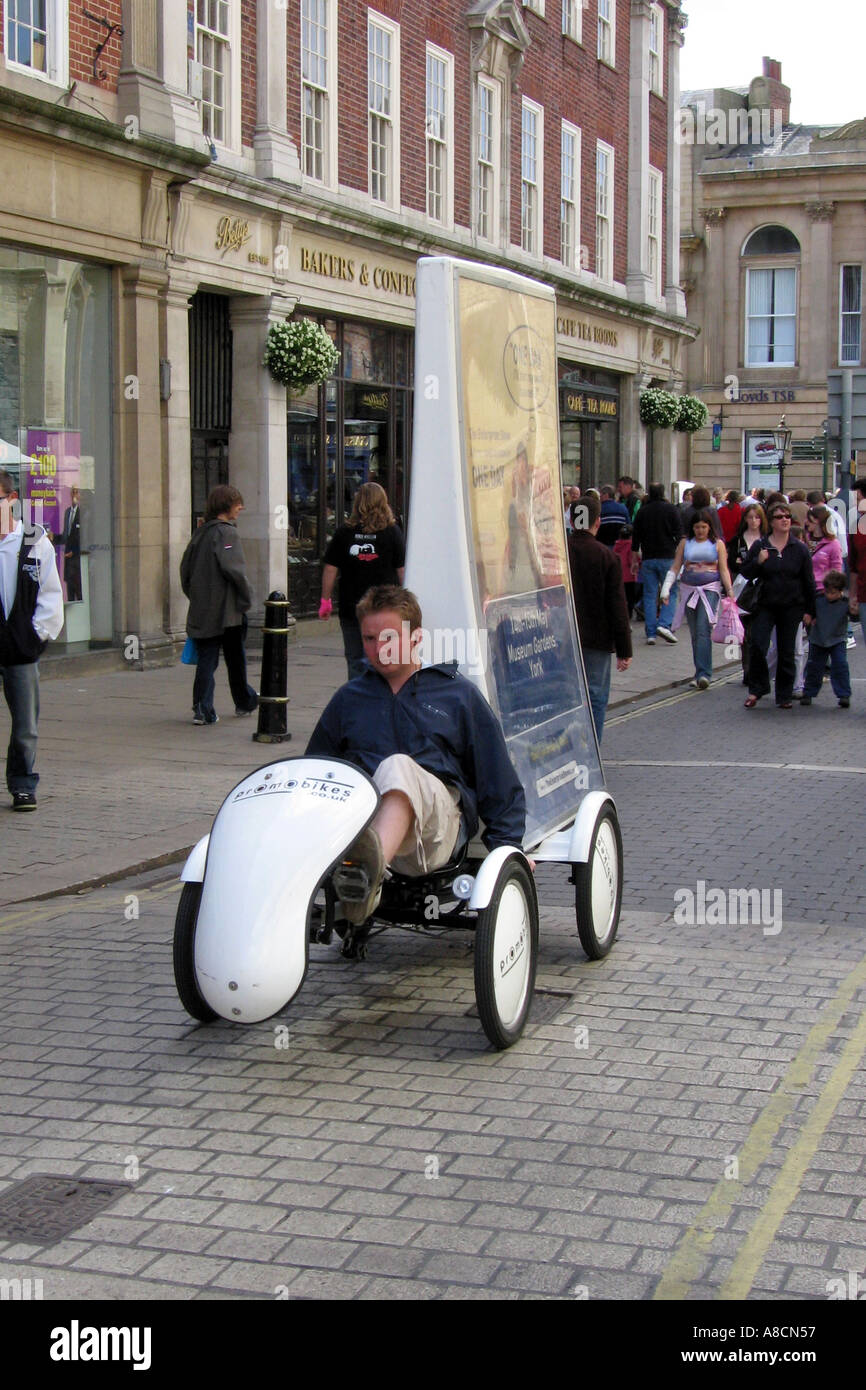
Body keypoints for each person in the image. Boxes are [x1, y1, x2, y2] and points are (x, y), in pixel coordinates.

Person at [306, 585, 526, 924]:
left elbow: (496, 774)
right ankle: (365, 868)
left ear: (416, 637)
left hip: (434, 832)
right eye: (369, 639)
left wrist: (507, 847)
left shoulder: (457, 695)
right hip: (362, 820)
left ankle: (366, 874)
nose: (379, 650)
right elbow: (317, 773)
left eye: (390, 638)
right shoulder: (349, 699)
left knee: (397, 767)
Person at [0, 470, 64, 810]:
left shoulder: (34, 543)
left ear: (11, 501)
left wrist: (36, 636)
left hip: (19, 646)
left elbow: (51, 595)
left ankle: (23, 783)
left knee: (25, 722)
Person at [180, 484, 258, 726]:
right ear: (227, 506)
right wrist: (246, 598)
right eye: (237, 504)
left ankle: (202, 707)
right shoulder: (227, 533)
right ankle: (242, 700)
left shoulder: (200, 533)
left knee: (207, 658)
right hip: (227, 611)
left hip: (204, 608)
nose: (241, 508)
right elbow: (234, 570)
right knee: (235, 658)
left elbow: (185, 571)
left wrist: (196, 596)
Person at [320, 482, 405, 679]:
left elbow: (330, 568)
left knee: (355, 657)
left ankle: (358, 699)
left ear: (358, 503)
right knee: (384, 655)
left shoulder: (344, 533)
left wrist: (325, 601)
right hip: (384, 607)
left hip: (352, 605)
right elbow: (401, 570)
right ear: (383, 502)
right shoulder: (392, 532)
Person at [740, 502, 817, 710]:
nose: (785, 519)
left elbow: (808, 581)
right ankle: (757, 688)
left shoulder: (799, 549)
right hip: (765, 604)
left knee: (786, 651)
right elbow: (746, 572)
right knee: (757, 645)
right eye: (780, 516)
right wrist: (759, 562)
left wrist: (811, 611)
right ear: (771, 522)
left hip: (792, 607)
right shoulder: (761, 546)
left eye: (787, 516)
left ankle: (783, 695)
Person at [567, 491, 632, 739]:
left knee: (568, 694)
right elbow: (617, 605)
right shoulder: (607, 557)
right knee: (595, 694)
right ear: (597, 522)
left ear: (572, 521)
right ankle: (592, 747)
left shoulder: (559, 554)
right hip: (597, 639)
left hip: (563, 636)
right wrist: (625, 649)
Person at [662, 509, 734, 690]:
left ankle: (704, 673)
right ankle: (699, 671)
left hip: (710, 590)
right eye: (697, 527)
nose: (700, 531)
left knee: (703, 628)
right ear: (692, 528)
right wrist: (666, 589)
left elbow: (723, 569)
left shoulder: (717, 544)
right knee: (695, 633)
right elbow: (676, 566)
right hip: (688, 590)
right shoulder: (685, 543)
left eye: (703, 527)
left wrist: (730, 591)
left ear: (710, 527)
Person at [630, 482, 682, 644]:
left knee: (650, 595)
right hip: (668, 556)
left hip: (648, 557)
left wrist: (634, 560)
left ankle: (651, 632)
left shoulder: (642, 512)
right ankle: (664, 624)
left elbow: (635, 538)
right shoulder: (671, 510)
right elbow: (680, 535)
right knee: (670, 592)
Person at [727, 502, 767, 686]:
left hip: (761, 591)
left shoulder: (766, 540)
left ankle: (758, 669)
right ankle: (747, 670)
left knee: (758, 634)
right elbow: (732, 564)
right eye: (750, 517)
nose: (753, 521)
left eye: (757, 517)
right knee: (744, 634)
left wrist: (746, 563)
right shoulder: (737, 540)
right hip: (741, 590)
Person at [799, 570, 851, 708]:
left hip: (837, 639)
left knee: (840, 665)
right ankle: (808, 692)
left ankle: (844, 694)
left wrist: (855, 609)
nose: (829, 595)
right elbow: (809, 612)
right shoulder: (818, 600)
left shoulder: (845, 603)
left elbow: (855, 615)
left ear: (841, 591)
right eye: (827, 592)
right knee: (814, 666)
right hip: (818, 639)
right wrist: (808, 616)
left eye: (833, 593)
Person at [847, 478, 866, 646]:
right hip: (864, 594)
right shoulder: (856, 526)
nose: (855, 503)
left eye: (857, 499)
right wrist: (852, 595)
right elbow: (853, 565)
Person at [60, 487, 83, 602]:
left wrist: (74, 552)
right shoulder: (67, 512)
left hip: (78, 561)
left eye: (76, 492)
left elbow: (84, 537)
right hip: (68, 563)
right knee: (70, 594)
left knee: (79, 594)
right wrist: (54, 538)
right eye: (72, 492)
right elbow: (65, 536)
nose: (74, 495)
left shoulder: (83, 513)